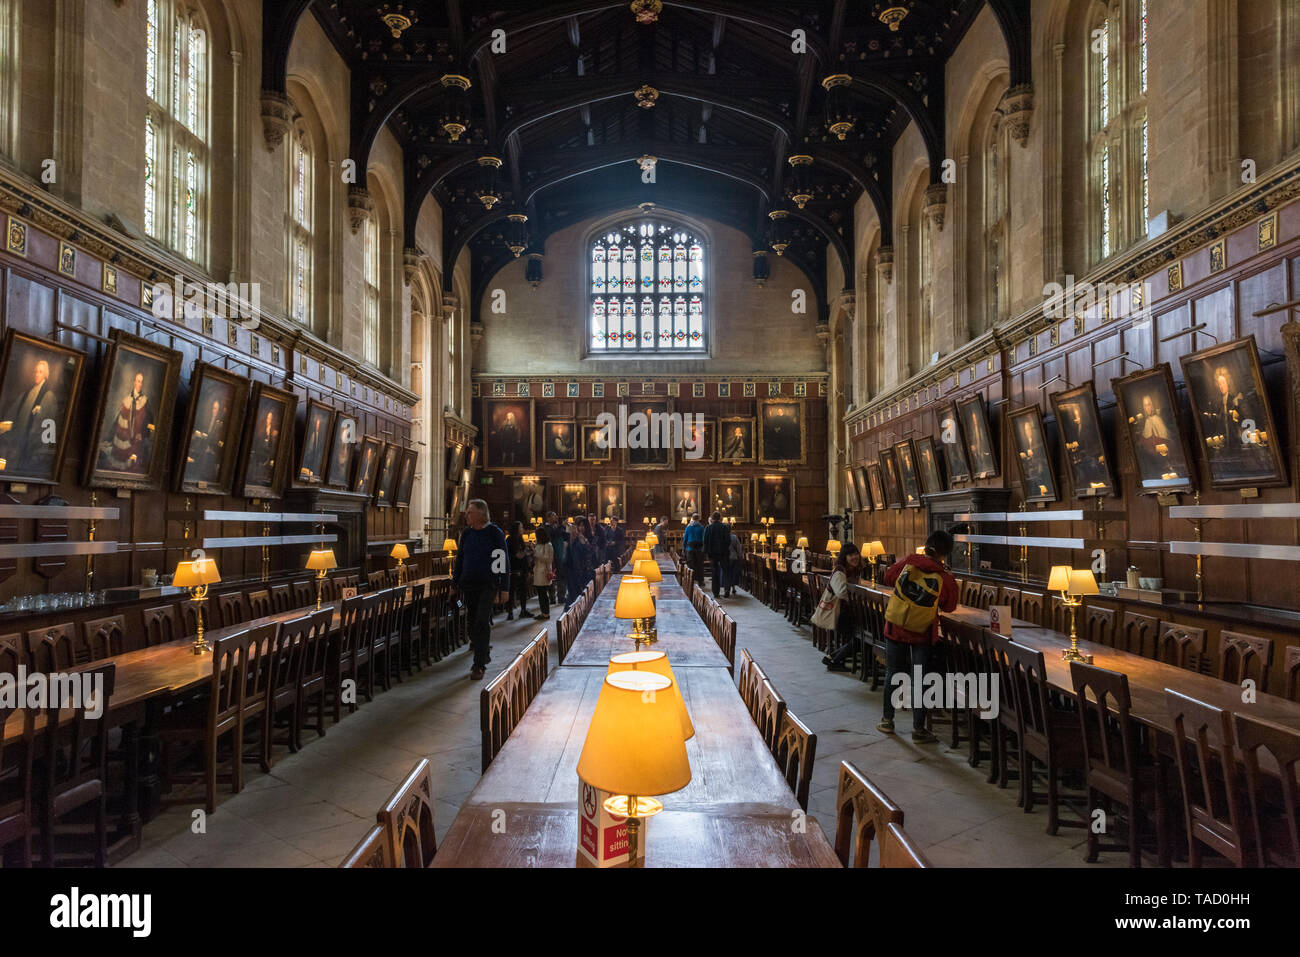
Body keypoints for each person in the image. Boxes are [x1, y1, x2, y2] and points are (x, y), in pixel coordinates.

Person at [877, 530, 958, 743]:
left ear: (926, 545)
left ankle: (887, 720)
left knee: (893, 672)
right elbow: (950, 606)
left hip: (896, 627)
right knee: (920, 679)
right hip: (922, 632)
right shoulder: (944, 577)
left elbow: (887, 577)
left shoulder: (911, 561)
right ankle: (918, 729)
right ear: (945, 554)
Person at [451, 499, 510, 681]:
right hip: (469, 584)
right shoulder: (467, 534)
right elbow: (460, 559)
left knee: (482, 622)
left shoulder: (494, 533)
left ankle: (478, 665)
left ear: (480, 514)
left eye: (470, 512)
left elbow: (502, 560)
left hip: (488, 584)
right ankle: (483, 653)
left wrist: (504, 588)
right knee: (471, 623)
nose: (466, 515)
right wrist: (455, 584)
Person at [0, 357, 60, 476]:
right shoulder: (25, 395)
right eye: (36, 371)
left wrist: (42, 451)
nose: (37, 374)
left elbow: (49, 430)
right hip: (16, 447)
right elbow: (10, 417)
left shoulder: (49, 397)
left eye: (40, 372)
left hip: (34, 451)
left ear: (46, 375)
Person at [821, 544, 863, 670]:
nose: (855, 557)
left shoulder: (854, 570)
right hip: (841, 613)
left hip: (850, 611)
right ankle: (834, 660)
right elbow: (841, 593)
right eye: (851, 555)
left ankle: (831, 658)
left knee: (862, 636)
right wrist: (857, 599)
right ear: (844, 557)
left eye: (856, 554)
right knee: (861, 638)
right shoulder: (840, 571)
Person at [105, 370, 154, 472]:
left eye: (141, 382)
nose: (139, 384)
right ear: (134, 382)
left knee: (132, 467)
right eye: (138, 381)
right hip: (122, 440)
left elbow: (150, 421)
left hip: (136, 440)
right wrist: (110, 437)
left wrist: (143, 434)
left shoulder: (145, 401)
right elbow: (117, 420)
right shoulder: (126, 400)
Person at [565, 517, 596, 607]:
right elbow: (571, 556)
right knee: (575, 599)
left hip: (588, 571)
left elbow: (592, 552)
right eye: (579, 526)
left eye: (583, 526)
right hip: (575, 572)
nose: (581, 528)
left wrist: (585, 541)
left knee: (588, 598)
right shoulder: (574, 539)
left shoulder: (590, 537)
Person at [702, 512, 731, 598]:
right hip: (724, 553)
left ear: (712, 518)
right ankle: (727, 591)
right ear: (720, 518)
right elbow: (728, 540)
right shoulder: (725, 527)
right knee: (726, 572)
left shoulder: (708, 528)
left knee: (715, 573)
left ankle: (716, 593)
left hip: (712, 554)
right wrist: (725, 549)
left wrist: (706, 553)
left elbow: (705, 541)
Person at [507, 521, 531, 620]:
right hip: (514, 569)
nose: (523, 529)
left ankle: (523, 610)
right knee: (511, 591)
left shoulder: (520, 539)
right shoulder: (510, 539)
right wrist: (527, 550)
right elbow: (519, 555)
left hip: (522, 569)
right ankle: (510, 612)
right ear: (516, 528)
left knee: (523, 591)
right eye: (521, 527)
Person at [532, 525, 554, 620]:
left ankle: (545, 613)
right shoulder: (539, 544)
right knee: (541, 594)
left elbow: (547, 559)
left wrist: (535, 553)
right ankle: (543, 612)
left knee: (543, 594)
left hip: (543, 571)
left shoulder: (548, 545)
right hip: (537, 570)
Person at [546, 511, 567, 606]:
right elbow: (553, 535)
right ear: (549, 518)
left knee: (561, 575)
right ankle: (552, 597)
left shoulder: (556, 526)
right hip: (550, 554)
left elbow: (563, 535)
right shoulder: (546, 527)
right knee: (550, 577)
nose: (556, 517)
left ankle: (561, 596)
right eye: (554, 516)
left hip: (559, 554)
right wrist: (561, 526)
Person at [682, 513, 705, 585]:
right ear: (698, 519)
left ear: (692, 518)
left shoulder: (688, 527)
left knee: (690, 564)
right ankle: (700, 581)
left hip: (690, 548)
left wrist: (683, 548)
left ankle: (690, 580)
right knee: (699, 565)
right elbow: (703, 539)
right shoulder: (701, 527)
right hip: (699, 548)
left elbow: (685, 538)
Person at [725, 524, 743, 597]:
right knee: (733, 573)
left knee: (726, 574)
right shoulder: (734, 537)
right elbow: (738, 548)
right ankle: (733, 588)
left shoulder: (722, 537)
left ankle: (727, 590)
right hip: (733, 557)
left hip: (725, 558)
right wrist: (740, 556)